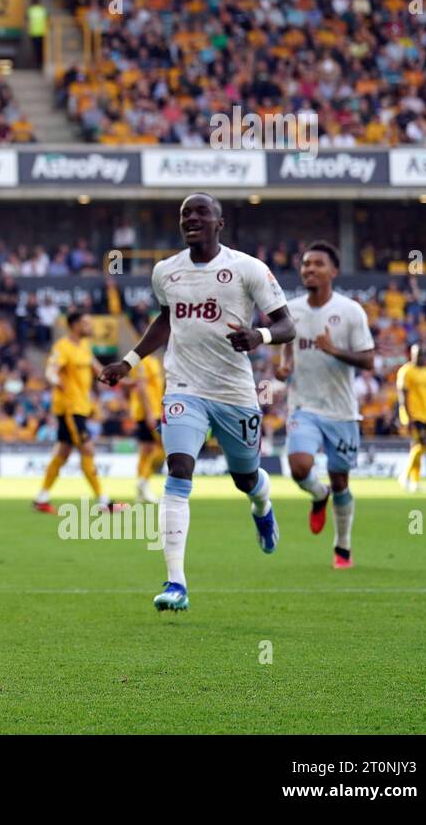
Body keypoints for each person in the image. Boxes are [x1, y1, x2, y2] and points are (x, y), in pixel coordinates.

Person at [98, 193, 295, 613]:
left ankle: (262, 505)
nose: (192, 219)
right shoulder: (166, 272)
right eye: (186, 214)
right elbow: (167, 318)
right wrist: (129, 362)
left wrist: (258, 336)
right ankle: (176, 582)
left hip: (234, 393)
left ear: (219, 224)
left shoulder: (247, 268)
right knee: (179, 469)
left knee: (245, 478)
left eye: (201, 213)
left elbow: (286, 323)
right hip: (184, 389)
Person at [275, 241, 374, 569]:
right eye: (305, 264)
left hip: (342, 411)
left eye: (317, 264)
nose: (309, 269)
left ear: (333, 271)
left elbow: (369, 360)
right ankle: (318, 495)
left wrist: (334, 351)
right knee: (299, 466)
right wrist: (284, 365)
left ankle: (342, 546)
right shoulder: (292, 310)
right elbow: (287, 349)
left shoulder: (350, 312)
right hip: (303, 406)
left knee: (341, 481)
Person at [32, 308, 122, 514]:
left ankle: (41, 498)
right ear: (74, 325)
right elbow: (51, 370)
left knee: (63, 452)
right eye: (86, 323)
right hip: (70, 409)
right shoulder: (62, 347)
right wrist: (56, 381)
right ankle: (103, 501)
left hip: (81, 407)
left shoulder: (84, 345)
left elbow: (98, 369)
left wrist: (123, 382)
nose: (90, 326)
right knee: (88, 449)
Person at [395, 344, 426, 493]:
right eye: (416, 355)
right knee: (421, 444)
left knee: (417, 446)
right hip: (412, 414)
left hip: (423, 414)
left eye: (421, 355)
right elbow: (402, 394)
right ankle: (405, 475)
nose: (419, 357)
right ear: (411, 355)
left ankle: (415, 482)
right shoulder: (406, 371)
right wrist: (407, 416)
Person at [128, 350, 164, 505]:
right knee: (160, 448)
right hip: (147, 412)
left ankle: (142, 488)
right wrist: (149, 413)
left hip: (155, 410)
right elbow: (141, 387)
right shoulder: (141, 361)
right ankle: (143, 482)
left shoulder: (154, 361)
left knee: (146, 450)